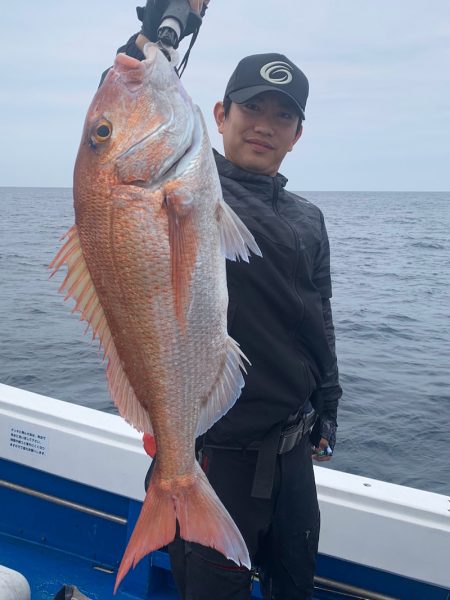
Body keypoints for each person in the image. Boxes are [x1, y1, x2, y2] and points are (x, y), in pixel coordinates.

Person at [116, 5, 342, 598]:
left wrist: (328, 404)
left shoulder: (308, 219)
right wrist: (160, 33)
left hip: (292, 456)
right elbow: (125, 126)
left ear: (298, 134)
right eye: (251, 109)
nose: (265, 125)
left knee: (295, 587)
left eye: (283, 116)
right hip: (215, 456)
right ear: (219, 115)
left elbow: (318, 318)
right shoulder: (190, 189)